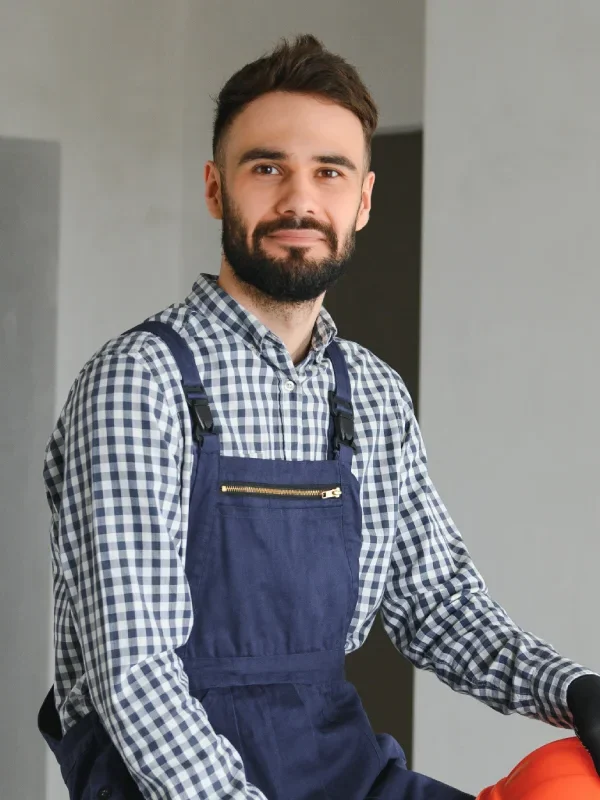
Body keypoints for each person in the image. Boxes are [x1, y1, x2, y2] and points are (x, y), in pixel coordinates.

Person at [37, 33, 600, 800]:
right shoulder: (139, 384)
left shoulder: (369, 393)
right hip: (167, 779)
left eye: (328, 173)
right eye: (266, 168)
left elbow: (437, 604)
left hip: (333, 763)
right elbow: (135, 678)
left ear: (362, 200)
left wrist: (575, 693)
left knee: (570, 783)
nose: (299, 199)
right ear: (215, 189)